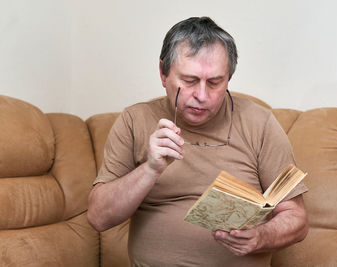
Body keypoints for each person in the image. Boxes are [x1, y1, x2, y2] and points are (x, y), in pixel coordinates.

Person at [87, 16, 308, 266]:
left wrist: (261, 236)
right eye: (189, 81)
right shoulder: (133, 120)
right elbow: (98, 218)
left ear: (228, 78)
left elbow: (297, 219)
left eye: (215, 82)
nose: (202, 96)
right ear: (163, 73)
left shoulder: (260, 123)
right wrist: (150, 169)